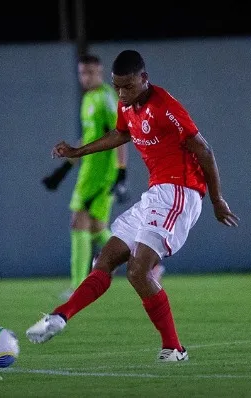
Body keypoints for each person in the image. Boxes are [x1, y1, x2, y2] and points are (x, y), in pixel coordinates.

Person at [28, 50, 239, 362]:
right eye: (117, 87)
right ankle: (59, 317)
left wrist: (217, 200)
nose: (122, 94)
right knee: (104, 259)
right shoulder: (126, 107)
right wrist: (77, 150)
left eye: (127, 86)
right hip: (155, 195)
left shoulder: (165, 107)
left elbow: (205, 151)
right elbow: (119, 135)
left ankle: (174, 348)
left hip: (181, 191)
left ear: (144, 78)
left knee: (138, 271)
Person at [41, 54, 164, 300]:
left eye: (90, 72)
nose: (85, 78)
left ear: (100, 71)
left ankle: (78, 287)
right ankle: (150, 265)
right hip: (88, 171)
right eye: (82, 73)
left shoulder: (108, 97)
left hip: (101, 174)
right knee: (96, 227)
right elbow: (88, 138)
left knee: (78, 222)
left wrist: (120, 173)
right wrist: (63, 170)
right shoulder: (88, 99)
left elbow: (119, 135)